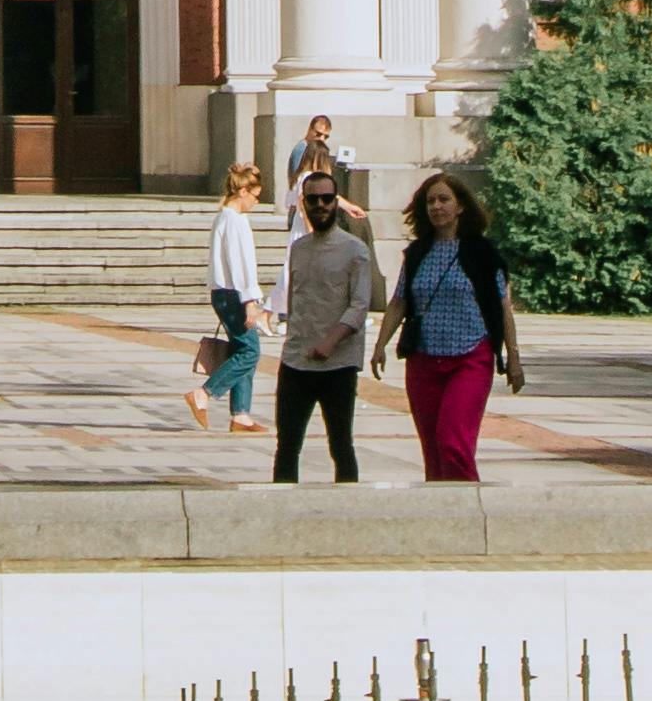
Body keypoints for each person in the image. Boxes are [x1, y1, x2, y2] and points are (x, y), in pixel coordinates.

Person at [374, 166, 523, 483]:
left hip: (470, 358)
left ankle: (470, 509)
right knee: (433, 449)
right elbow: (400, 301)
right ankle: (441, 517)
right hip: (424, 361)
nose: (436, 207)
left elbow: (502, 306)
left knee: (453, 442)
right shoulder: (417, 253)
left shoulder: (481, 253)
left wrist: (513, 357)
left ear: (461, 207)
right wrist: (380, 346)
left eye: (444, 200)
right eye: (430, 201)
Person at [272, 168, 381, 486]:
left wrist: (330, 342)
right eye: (313, 199)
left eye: (327, 198)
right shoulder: (299, 248)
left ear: (337, 202)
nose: (320, 205)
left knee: (340, 445)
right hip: (295, 361)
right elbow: (295, 301)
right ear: (303, 203)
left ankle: (348, 513)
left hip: (337, 365)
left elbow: (359, 306)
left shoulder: (354, 250)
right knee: (287, 447)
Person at [188, 167, 266, 437]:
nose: (257, 201)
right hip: (233, 293)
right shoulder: (233, 220)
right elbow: (238, 264)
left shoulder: (229, 218)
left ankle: (241, 414)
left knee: (240, 349)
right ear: (242, 192)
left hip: (227, 293)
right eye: (255, 195)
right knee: (250, 352)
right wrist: (249, 301)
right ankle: (204, 393)